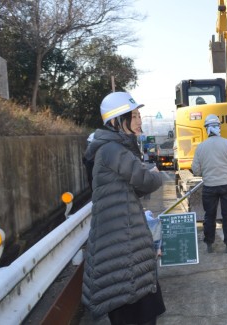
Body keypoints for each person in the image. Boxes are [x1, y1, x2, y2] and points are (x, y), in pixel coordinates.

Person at [81, 92, 166, 325]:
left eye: (139, 115)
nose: (139, 120)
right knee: (135, 305)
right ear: (117, 121)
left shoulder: (111, 148)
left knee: (135, 302)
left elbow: (131, 189)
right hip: (122, 238)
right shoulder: (113, 150)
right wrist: (155, 175)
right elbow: (144, 182)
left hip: (121, 235)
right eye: (134, 115)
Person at [191, 114, 227, 253]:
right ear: (219, 127)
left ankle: (209, 244)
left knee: (209, 216)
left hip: (209, 187)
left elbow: (196, 170)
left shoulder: (201, 147)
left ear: (207, 129)